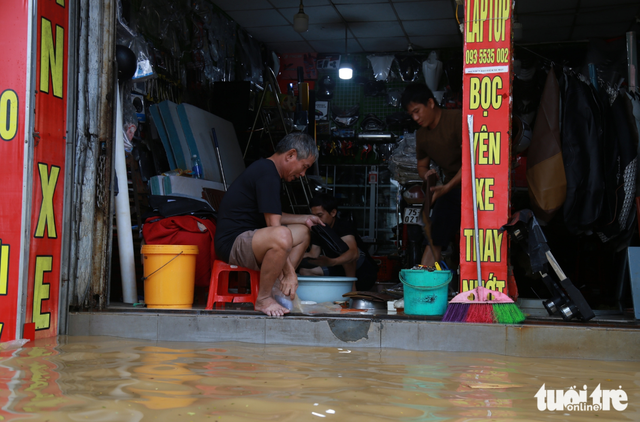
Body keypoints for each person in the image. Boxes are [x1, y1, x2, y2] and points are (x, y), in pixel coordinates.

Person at [214, 133, 324, 316]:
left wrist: (304, 219)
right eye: (304, 167)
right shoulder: (267, 173)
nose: (303, 174)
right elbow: (275, 227)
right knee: (282, 235)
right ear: (290, 155)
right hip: (233, 243)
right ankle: (264, 298)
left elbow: (273, 215)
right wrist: (290, 272)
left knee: (304, 232)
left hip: (252, 238)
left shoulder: (268, 171)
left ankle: (278, 291)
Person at [400, 83, 462, 266]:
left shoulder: (456, 119)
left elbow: (473, 161)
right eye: (411, 114)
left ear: (430, 102)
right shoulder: (422, 135)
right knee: (434, 232)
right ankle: (424, 281)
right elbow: (422, 166)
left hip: (478, 183)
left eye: (417, 111)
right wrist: (427, 175)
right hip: (451, 187)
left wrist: (448, 187)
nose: (416, 117)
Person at [299, 194, 378, 291]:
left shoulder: (343, 226)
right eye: (313, 216)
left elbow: (353, 253)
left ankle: (351, 288)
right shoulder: (318, 229)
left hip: (363, 274)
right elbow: (313, 254)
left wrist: (332, 262)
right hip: (338, 269)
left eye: (320, 215)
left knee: (347, 252)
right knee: (305, 271)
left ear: (333, 213)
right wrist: (289, 257)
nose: (315, 219)